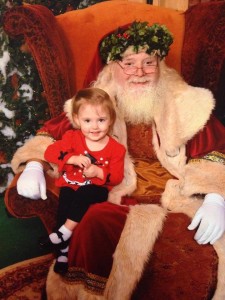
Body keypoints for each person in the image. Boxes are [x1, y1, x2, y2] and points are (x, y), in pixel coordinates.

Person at [10, 21, 225, 298]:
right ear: (113, 66)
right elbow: (52, 135)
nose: (140, 72)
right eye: (129, 63)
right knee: (97, 223)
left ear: (160, 66)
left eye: (149, 62)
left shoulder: (185, 102)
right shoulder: (97, 104)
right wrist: (34, 166)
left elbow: (216, 148)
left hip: (176, 197)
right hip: (116, 195)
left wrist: (216, 197)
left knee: (193, 253)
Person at [39, 87, 126, 274]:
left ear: (110, 121)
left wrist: (98, 172)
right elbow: (50, 152)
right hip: (71, 184)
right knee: (64, 208)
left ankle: (64, 232)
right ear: (78, 120)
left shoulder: (117, 149)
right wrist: (71, 158)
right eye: (87, 121)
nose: (94, 127)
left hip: (96, 188)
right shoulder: (72, 137)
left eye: (101, 120)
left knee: (87, 193)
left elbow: (117, 177)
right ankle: (63, 253)